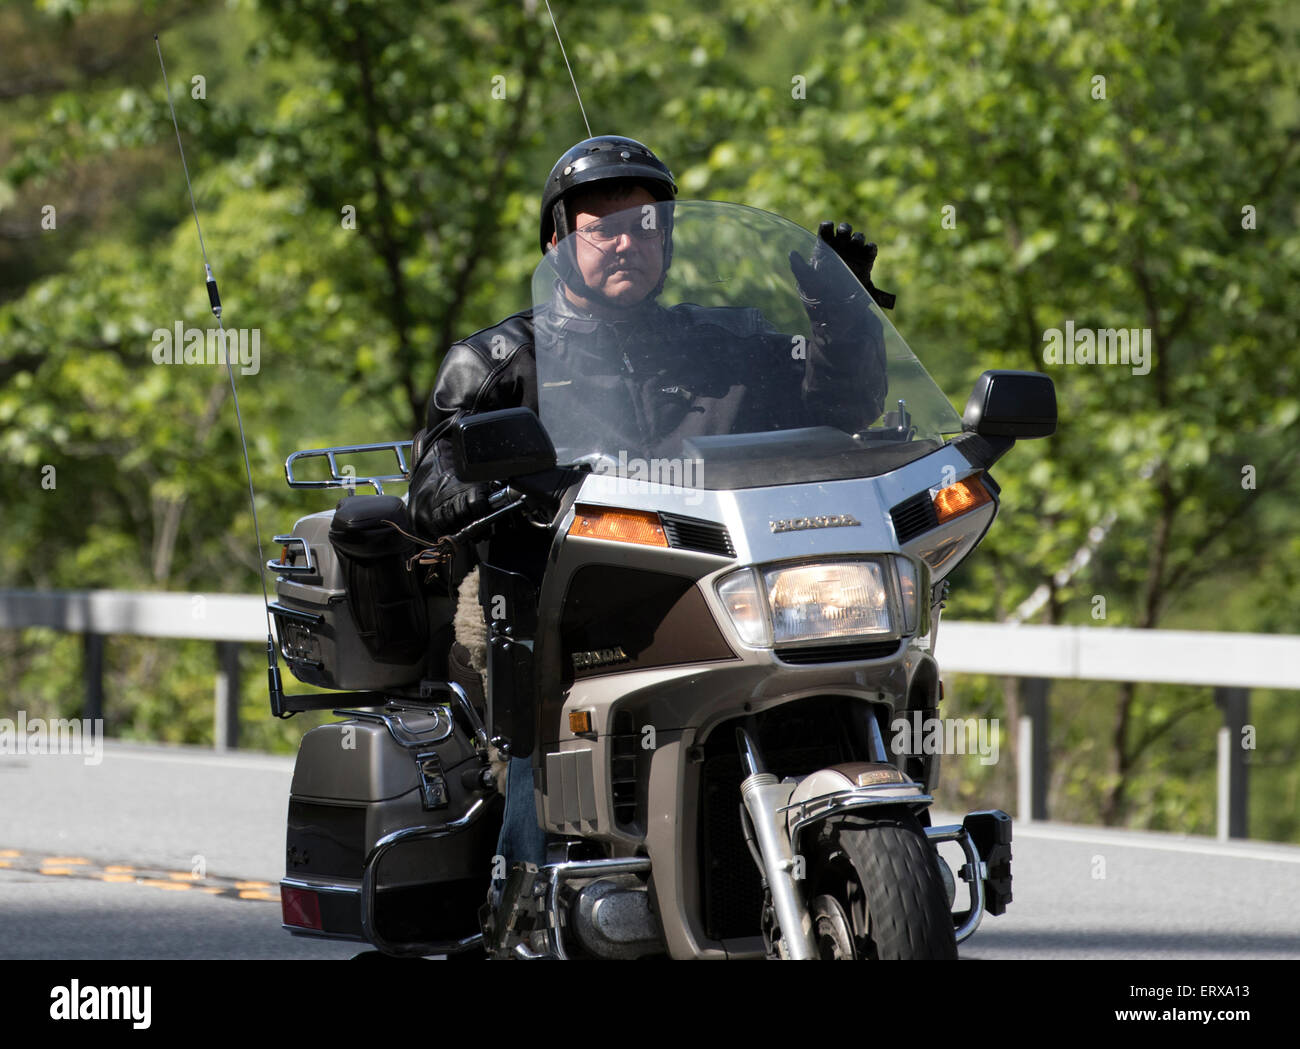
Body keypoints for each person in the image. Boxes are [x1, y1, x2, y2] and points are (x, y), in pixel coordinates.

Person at [406, 134, 895, 878]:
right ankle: (527, 897)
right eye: (601, 225)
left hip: (701, 584)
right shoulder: (500, 359)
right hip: (546, 597)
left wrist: (841, 318)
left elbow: (842, 407)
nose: (625, 241)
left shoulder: (724, 342)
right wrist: (502, 485)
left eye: (643, 224)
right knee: (535, 764)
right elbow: (432, 483)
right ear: (557, 240)